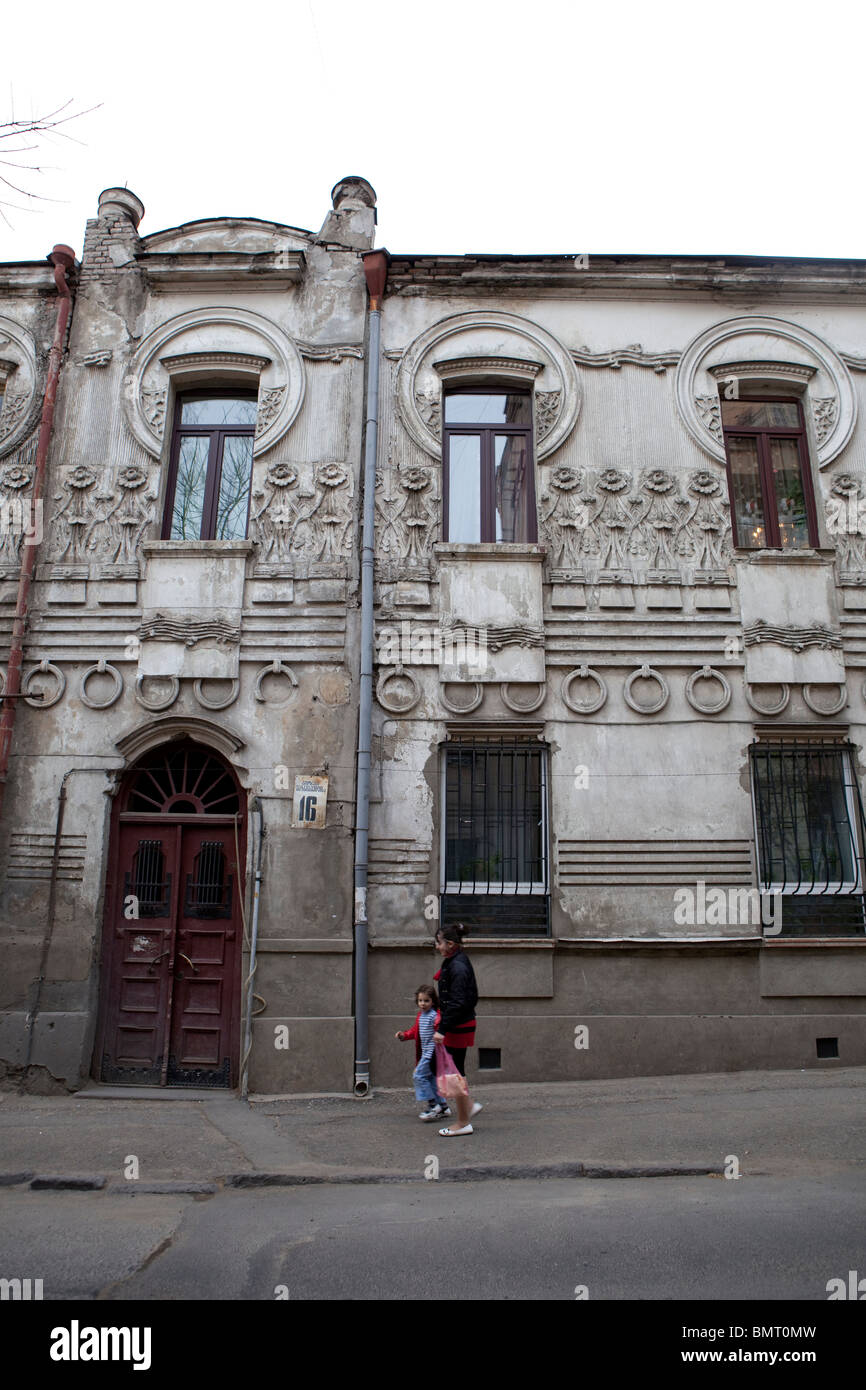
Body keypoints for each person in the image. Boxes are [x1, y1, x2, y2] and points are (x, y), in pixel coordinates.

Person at [433, 923, 483, 1136]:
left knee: (454, 1072)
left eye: (439, 942)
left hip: (458, 1025)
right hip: (458, 1023)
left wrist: (442, 1029)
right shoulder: (454, 962)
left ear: (450, 944)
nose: (436, 946)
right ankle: (468, 1107)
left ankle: (463, 1123)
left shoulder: (457, 966)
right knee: (454, 1069)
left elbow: (458, 1001)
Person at [395, 984, 451, 1121]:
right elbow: (415, 1031)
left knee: (418, 1076)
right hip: (425, 1053)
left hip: (431, 1054)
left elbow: (441, 1029)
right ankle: (443, 1106)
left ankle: (433, 1106)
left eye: (426, 1001)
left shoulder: (434, 1016)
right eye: (420, 1001)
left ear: (433, 1001)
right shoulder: (421, 1016)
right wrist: (404, 1035)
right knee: (431, 1079)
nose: (423, 1004)